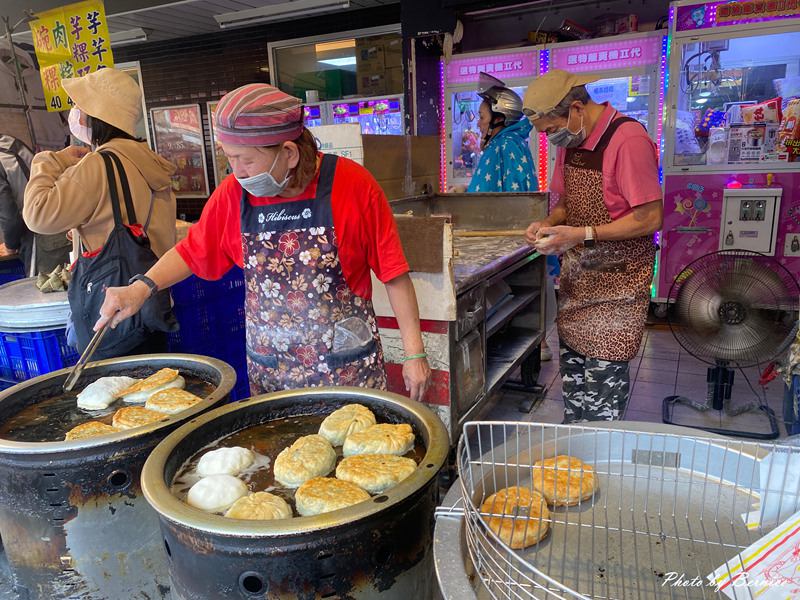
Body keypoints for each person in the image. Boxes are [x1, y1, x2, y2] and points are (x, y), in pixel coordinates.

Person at [94, 83, 432, 400]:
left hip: (347, 369)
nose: (237, 171)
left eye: (246, 160)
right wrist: (140, 288)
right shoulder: (233, 195)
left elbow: (394, 273)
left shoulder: (354, 185)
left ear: (289, 153)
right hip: (271, 373)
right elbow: (191, 251)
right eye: (230, 158)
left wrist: (414, 353)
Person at [522, 70, 663, 423]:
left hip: (618, 289)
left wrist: (581, 235)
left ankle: (599, 451)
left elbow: (650, 218)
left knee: (602, 405)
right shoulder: (572, 142)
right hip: (578, 284)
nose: (551, 138)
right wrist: (548, 223)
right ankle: (576, 447)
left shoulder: (628, 140)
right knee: (574, 396)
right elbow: (565, 203)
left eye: (551, 129)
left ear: (576, 109)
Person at [24, 67, 178, 356]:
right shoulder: (149, 161)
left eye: (79, 105)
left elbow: (37, 214)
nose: (75, 113)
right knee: (152, 376)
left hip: (111, 308)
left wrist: (49, 161)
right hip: (150, 301)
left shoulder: (99, 165)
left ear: (94, 116)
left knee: (111, 381)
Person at [451, 73, 539, 193]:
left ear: (498, 120)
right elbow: (491, 186)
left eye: (482, 117)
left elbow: (514, 196)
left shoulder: (505, 145)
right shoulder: (509, 141)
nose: (478, 124)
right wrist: (467, 189)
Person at [0, 134, 70, 276]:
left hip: (39, 239)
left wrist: (10, 246)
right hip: (61, 224)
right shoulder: (9, 143)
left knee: (46, 286)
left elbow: (10, 218)